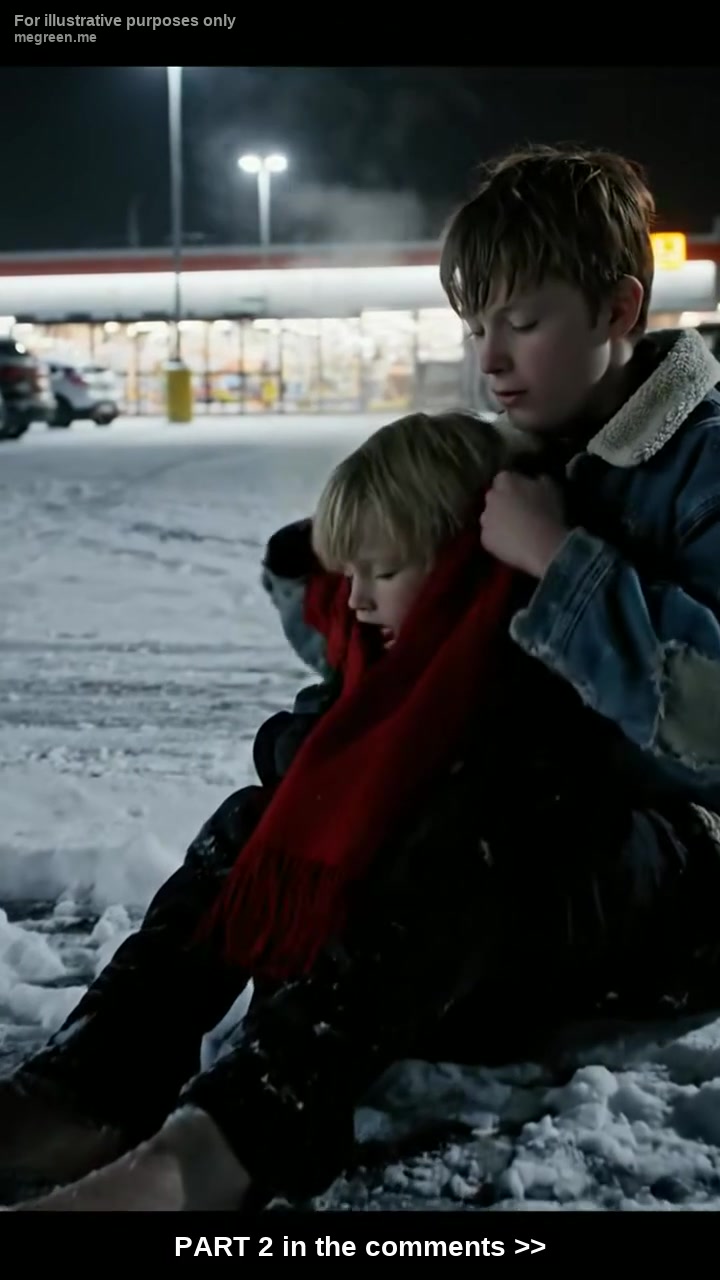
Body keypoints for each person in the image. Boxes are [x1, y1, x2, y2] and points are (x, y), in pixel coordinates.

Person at [6, 140, 720, 1212]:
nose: (491, 358)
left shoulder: (700, 467)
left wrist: (563, 566)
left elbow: (710, 724)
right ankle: (90, 1088)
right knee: (268, 816)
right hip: (501, 892)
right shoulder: (495, 464)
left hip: (671, 900)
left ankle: (213, 1151)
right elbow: (410, 679)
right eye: (474, 327)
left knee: (480, 822)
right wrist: (335, 713)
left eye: (523, 322)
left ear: (619, 309)